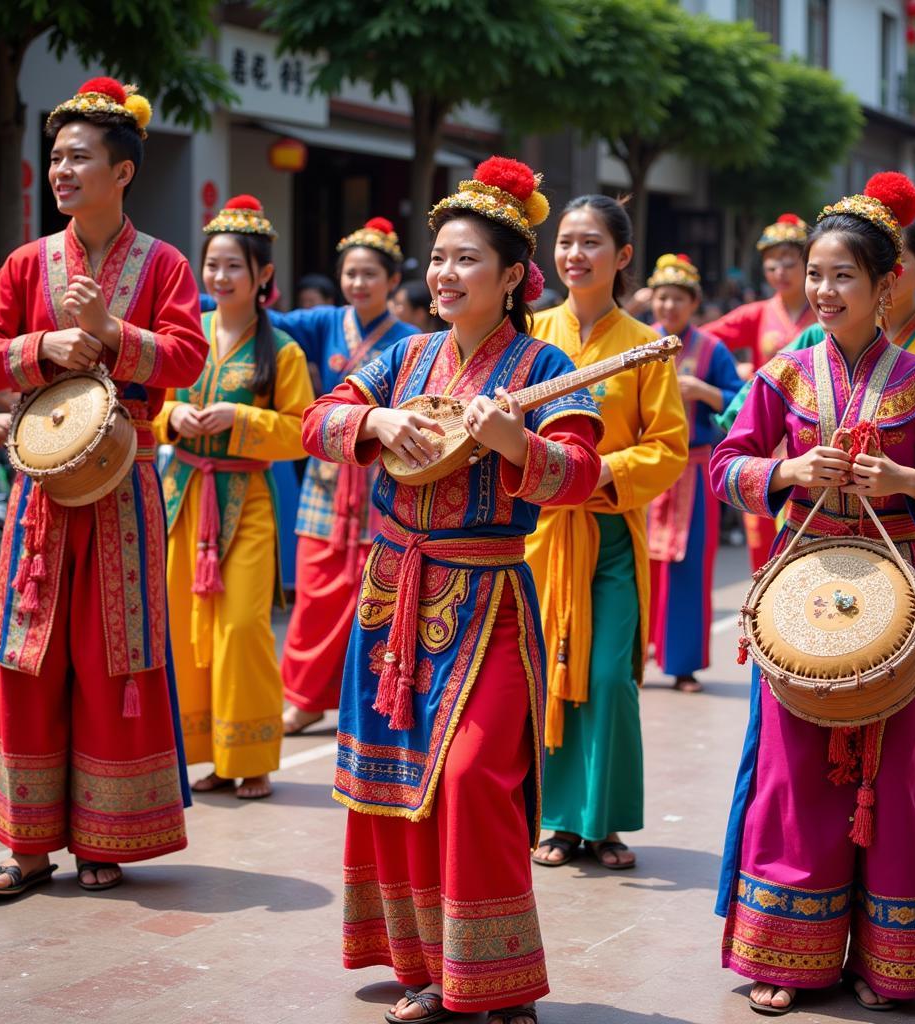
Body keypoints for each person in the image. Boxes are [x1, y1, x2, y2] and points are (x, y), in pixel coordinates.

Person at [303, 157, 603, 1024]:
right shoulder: (404, 356)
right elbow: (317, 421)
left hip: (486, 599)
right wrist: (376, 421)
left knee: (473, 776)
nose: (443, 274)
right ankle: (430, 968)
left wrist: (517, 445)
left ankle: (498, 979)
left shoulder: (545, 365)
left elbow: (582, 474)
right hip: (392, 591)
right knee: (396, 782)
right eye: (437, 258)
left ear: (513, 277)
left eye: (466, 259)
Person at [710, 173, 915, 1014]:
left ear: (887, 284)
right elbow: (727, 466)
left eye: (844, 276)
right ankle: (787, 959)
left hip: (898, 595)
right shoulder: (782, 377)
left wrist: (912, 479)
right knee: (793, 773)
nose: (824, 290)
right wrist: (788, 470)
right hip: (801, 591)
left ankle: (888, 963)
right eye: (816, 274)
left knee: (892, 775)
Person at [0, 77, 207, 896]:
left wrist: (113, 334)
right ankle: (29, 846)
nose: (61, 170)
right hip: (43, 486)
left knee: (113, 655)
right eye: (56, 156)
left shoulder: (167, 265)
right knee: (28, 655)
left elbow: (188, 358)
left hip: (127, 485)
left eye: (79, 157)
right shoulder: (27, 263)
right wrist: (46, 346)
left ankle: (104, 836)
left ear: (124, 172)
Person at [526, 197, 688, 872]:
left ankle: (607, 821)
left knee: (610, 677)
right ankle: (554, 821)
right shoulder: (527, 333)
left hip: (610, 532)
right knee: (541, 673)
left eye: (591, 242)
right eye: (564, 241)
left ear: (623, 257)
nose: (574, 255)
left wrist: (594, 475)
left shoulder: (644, 347)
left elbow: (669, 446)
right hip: (536, 535)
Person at [154, 196, 313, 800]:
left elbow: (302, 433)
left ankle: (251, 755)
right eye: (212, 266)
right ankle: (208, 755)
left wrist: (239, 417)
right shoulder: (184, 337)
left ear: (263, 276)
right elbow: (151, 410)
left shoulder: (285, 351)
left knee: (244, 627)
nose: (219, 278)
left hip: (246, 497)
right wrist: (175, 419)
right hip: (184, 494)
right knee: (184, 628)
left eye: (233, 267)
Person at [269, 218, 419, 737]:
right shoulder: (325, 321)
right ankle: (304, 697)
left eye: (370, 274)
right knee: (314, 590)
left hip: (383, 477)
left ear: (392, 282)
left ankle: (364, 699)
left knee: (371, 595)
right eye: (350, 273)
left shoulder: (411, 341)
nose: (359, 283)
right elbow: (268, 321)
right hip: (329, 473)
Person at [647, 254, 742, 693]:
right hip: (646, 469)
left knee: (690, 569)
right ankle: (638, 652)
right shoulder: (641, 341)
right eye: (662, 297)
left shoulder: (710, 350)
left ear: (693, 304)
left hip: (695, 469)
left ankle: (683, 664)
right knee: (641, 566)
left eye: (678, 298)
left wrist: (704, 391)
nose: (669, 306)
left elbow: (740, 401)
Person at [705, 214, 817, 573]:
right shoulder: (758, 314)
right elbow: (704, 341)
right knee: (761, 530)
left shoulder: (827, 312)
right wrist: (738, 373)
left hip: (813, 429)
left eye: (789, 262)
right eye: (772, 264)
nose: (780, 271)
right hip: (769, 433)